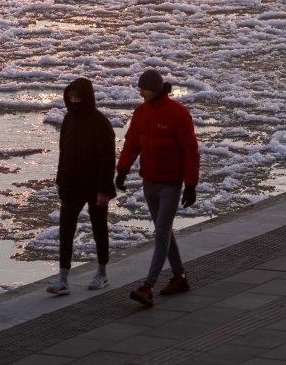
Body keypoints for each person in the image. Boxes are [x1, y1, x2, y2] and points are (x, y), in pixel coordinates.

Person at [116, 69, 199, 306]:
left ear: (155, 89)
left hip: (170, 184)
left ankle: (147, 286)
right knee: (165, 231)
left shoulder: (178, 114)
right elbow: (132, 143)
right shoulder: (141, 112)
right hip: (149, 182)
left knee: (161, 233)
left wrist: (191, 185)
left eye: (144, 89)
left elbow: (191, 152)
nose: (140, 93)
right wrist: (122, 170)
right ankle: (179, 276)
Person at [46, 77, 117, 295]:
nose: (73, 101)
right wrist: (61, 180)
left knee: (99, 229)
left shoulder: (100, 122)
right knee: (66, 229)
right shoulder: (68, 120)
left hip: (95, 186)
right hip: (72, 186)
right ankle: (63, 278)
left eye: (77, 97)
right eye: (70, 97)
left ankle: (102, 273)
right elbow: (64, 153)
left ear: (86, 97)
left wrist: (104, 189)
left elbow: (107, 159)